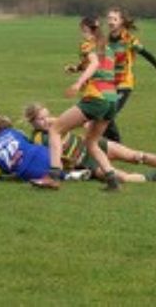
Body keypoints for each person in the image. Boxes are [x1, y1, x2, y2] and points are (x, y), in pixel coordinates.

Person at [33, 16, 120, 190]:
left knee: (55, 129)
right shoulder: (107, 47)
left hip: (96, 97)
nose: (82, 34)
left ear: (87, 29)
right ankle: (112, 180)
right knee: (91, 143)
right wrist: (77, 67)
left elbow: (94, 63)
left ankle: (53, 177)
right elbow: (99, 65)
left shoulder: (87, 44)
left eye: (83, 30)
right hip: (112, 100)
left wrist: (79, 83)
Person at [24, 103, 156, 182]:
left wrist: (87, 126)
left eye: (46, 116)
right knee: (123, 178)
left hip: (96, 146)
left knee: (136, 156)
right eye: (40, 119)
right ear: (32, 121)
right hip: (88, 163)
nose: (46, 120)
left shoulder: (55, 123)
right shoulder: (38, 139)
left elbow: (80, 121)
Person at [103, 7, 156, 143]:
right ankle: (108, 147)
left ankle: (117, 146)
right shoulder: (105, 40)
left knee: (108, 114)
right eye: (109, 18)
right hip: (108, 84)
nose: (111, 22)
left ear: (121, 21)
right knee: (102, 115)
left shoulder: (129, 40)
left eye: (114, 19)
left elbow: (146, 53)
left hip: (124, 84)